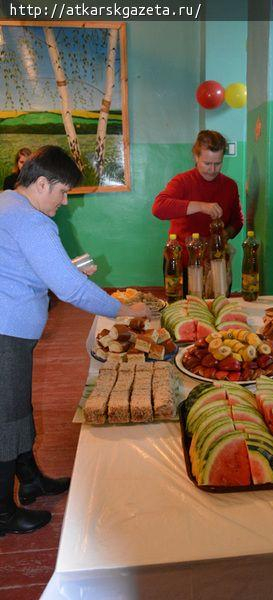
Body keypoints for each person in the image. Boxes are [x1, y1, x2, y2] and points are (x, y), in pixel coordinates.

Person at [0, 146, 150, 537]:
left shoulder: (8, 203)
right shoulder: (32, 221)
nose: (65, 203)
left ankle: (31, 480)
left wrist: (70, 273)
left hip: (10, 326)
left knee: (14, 409)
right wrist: (122, 310)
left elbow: (29, 267)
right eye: (63, 192)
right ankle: (2, 516)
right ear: (41, 182)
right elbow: (68, 288)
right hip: (6, 332)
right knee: (7, 419)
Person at [152, 130, 244, 291]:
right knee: (184, 312)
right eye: (207, 163)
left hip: (217, 264)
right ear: (196, 157)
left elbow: (237, 221)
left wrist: (226, 233)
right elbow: (159, 208)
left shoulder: (230, 186)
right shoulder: (182, 181)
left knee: (218, 311)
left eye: (218, 163)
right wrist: (200, 206)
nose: (213, 169)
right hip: (183, 262)